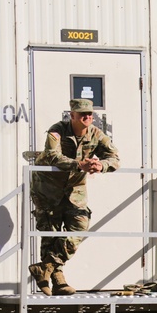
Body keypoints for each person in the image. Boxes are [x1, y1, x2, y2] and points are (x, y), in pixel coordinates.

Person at [29, 98, 120, 296]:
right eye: (82, 114)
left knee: (79, 226)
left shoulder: (96, 134)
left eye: (90, 114)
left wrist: (100, 165)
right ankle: (59, 281)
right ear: (72, 115)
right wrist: (80, 165)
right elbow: (53, 156)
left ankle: (45, 267)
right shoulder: (57, 131)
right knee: (50, 234)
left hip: (74, 189)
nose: (87, 117)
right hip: (47, 188)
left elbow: (114, 158)